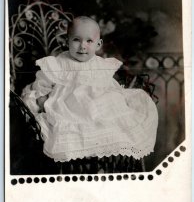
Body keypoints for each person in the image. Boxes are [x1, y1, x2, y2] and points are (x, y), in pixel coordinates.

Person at [22, 16, 158, 163]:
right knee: (73, 118)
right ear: (67, 41)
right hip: (69, 107)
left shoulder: (100, 64)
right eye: (76, 40)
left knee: (112, 102)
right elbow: (43, 82)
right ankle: (82, 152)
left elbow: (109, 85)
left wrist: (119, 97)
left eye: (89, 41)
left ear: (98, 44)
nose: (82, 46)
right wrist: (41, 97)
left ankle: (105, 148)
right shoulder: (59, 63)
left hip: (98, 107)